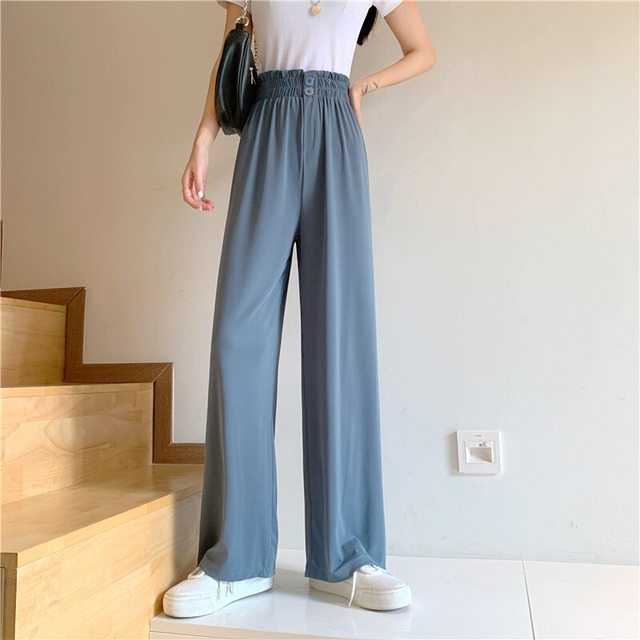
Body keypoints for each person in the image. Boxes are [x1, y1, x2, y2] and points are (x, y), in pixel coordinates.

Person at [164, 0, 436, 618]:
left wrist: (363, 86)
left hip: (336, 125)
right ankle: (237, 559)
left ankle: (346, 557)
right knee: (237, 336)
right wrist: (203, 139)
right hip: (267, 122)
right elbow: (230, 50)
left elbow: (424, 50)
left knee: (340, 336)